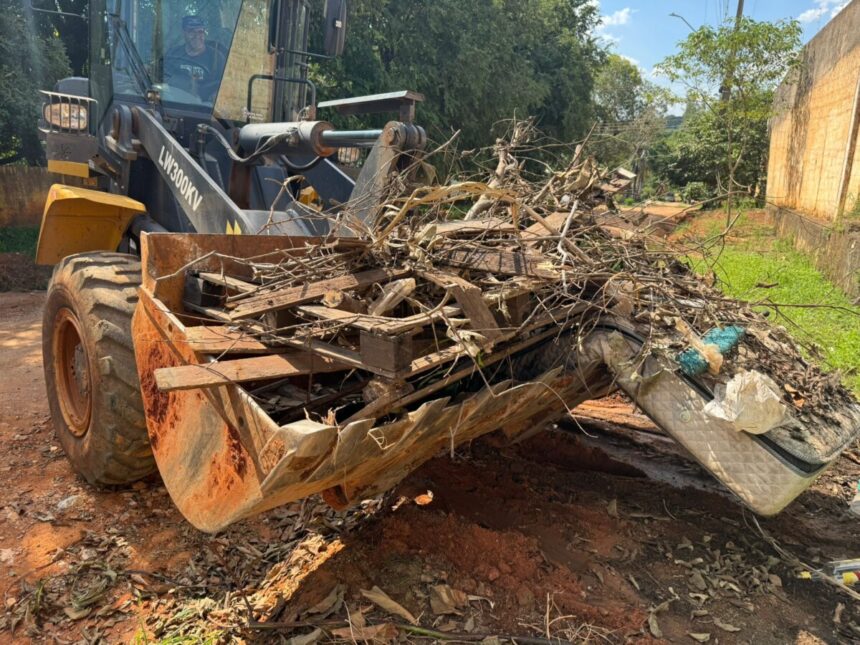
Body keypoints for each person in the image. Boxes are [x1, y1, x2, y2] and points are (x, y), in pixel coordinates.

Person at [162, 16, 226, 101]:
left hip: (205, 108)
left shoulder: (217, 58)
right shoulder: (173, 54)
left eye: (200, 32)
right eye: (191, 32)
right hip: (176, 104)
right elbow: (163, 80)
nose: (197, 36)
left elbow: (226, 86)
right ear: (183, 33)